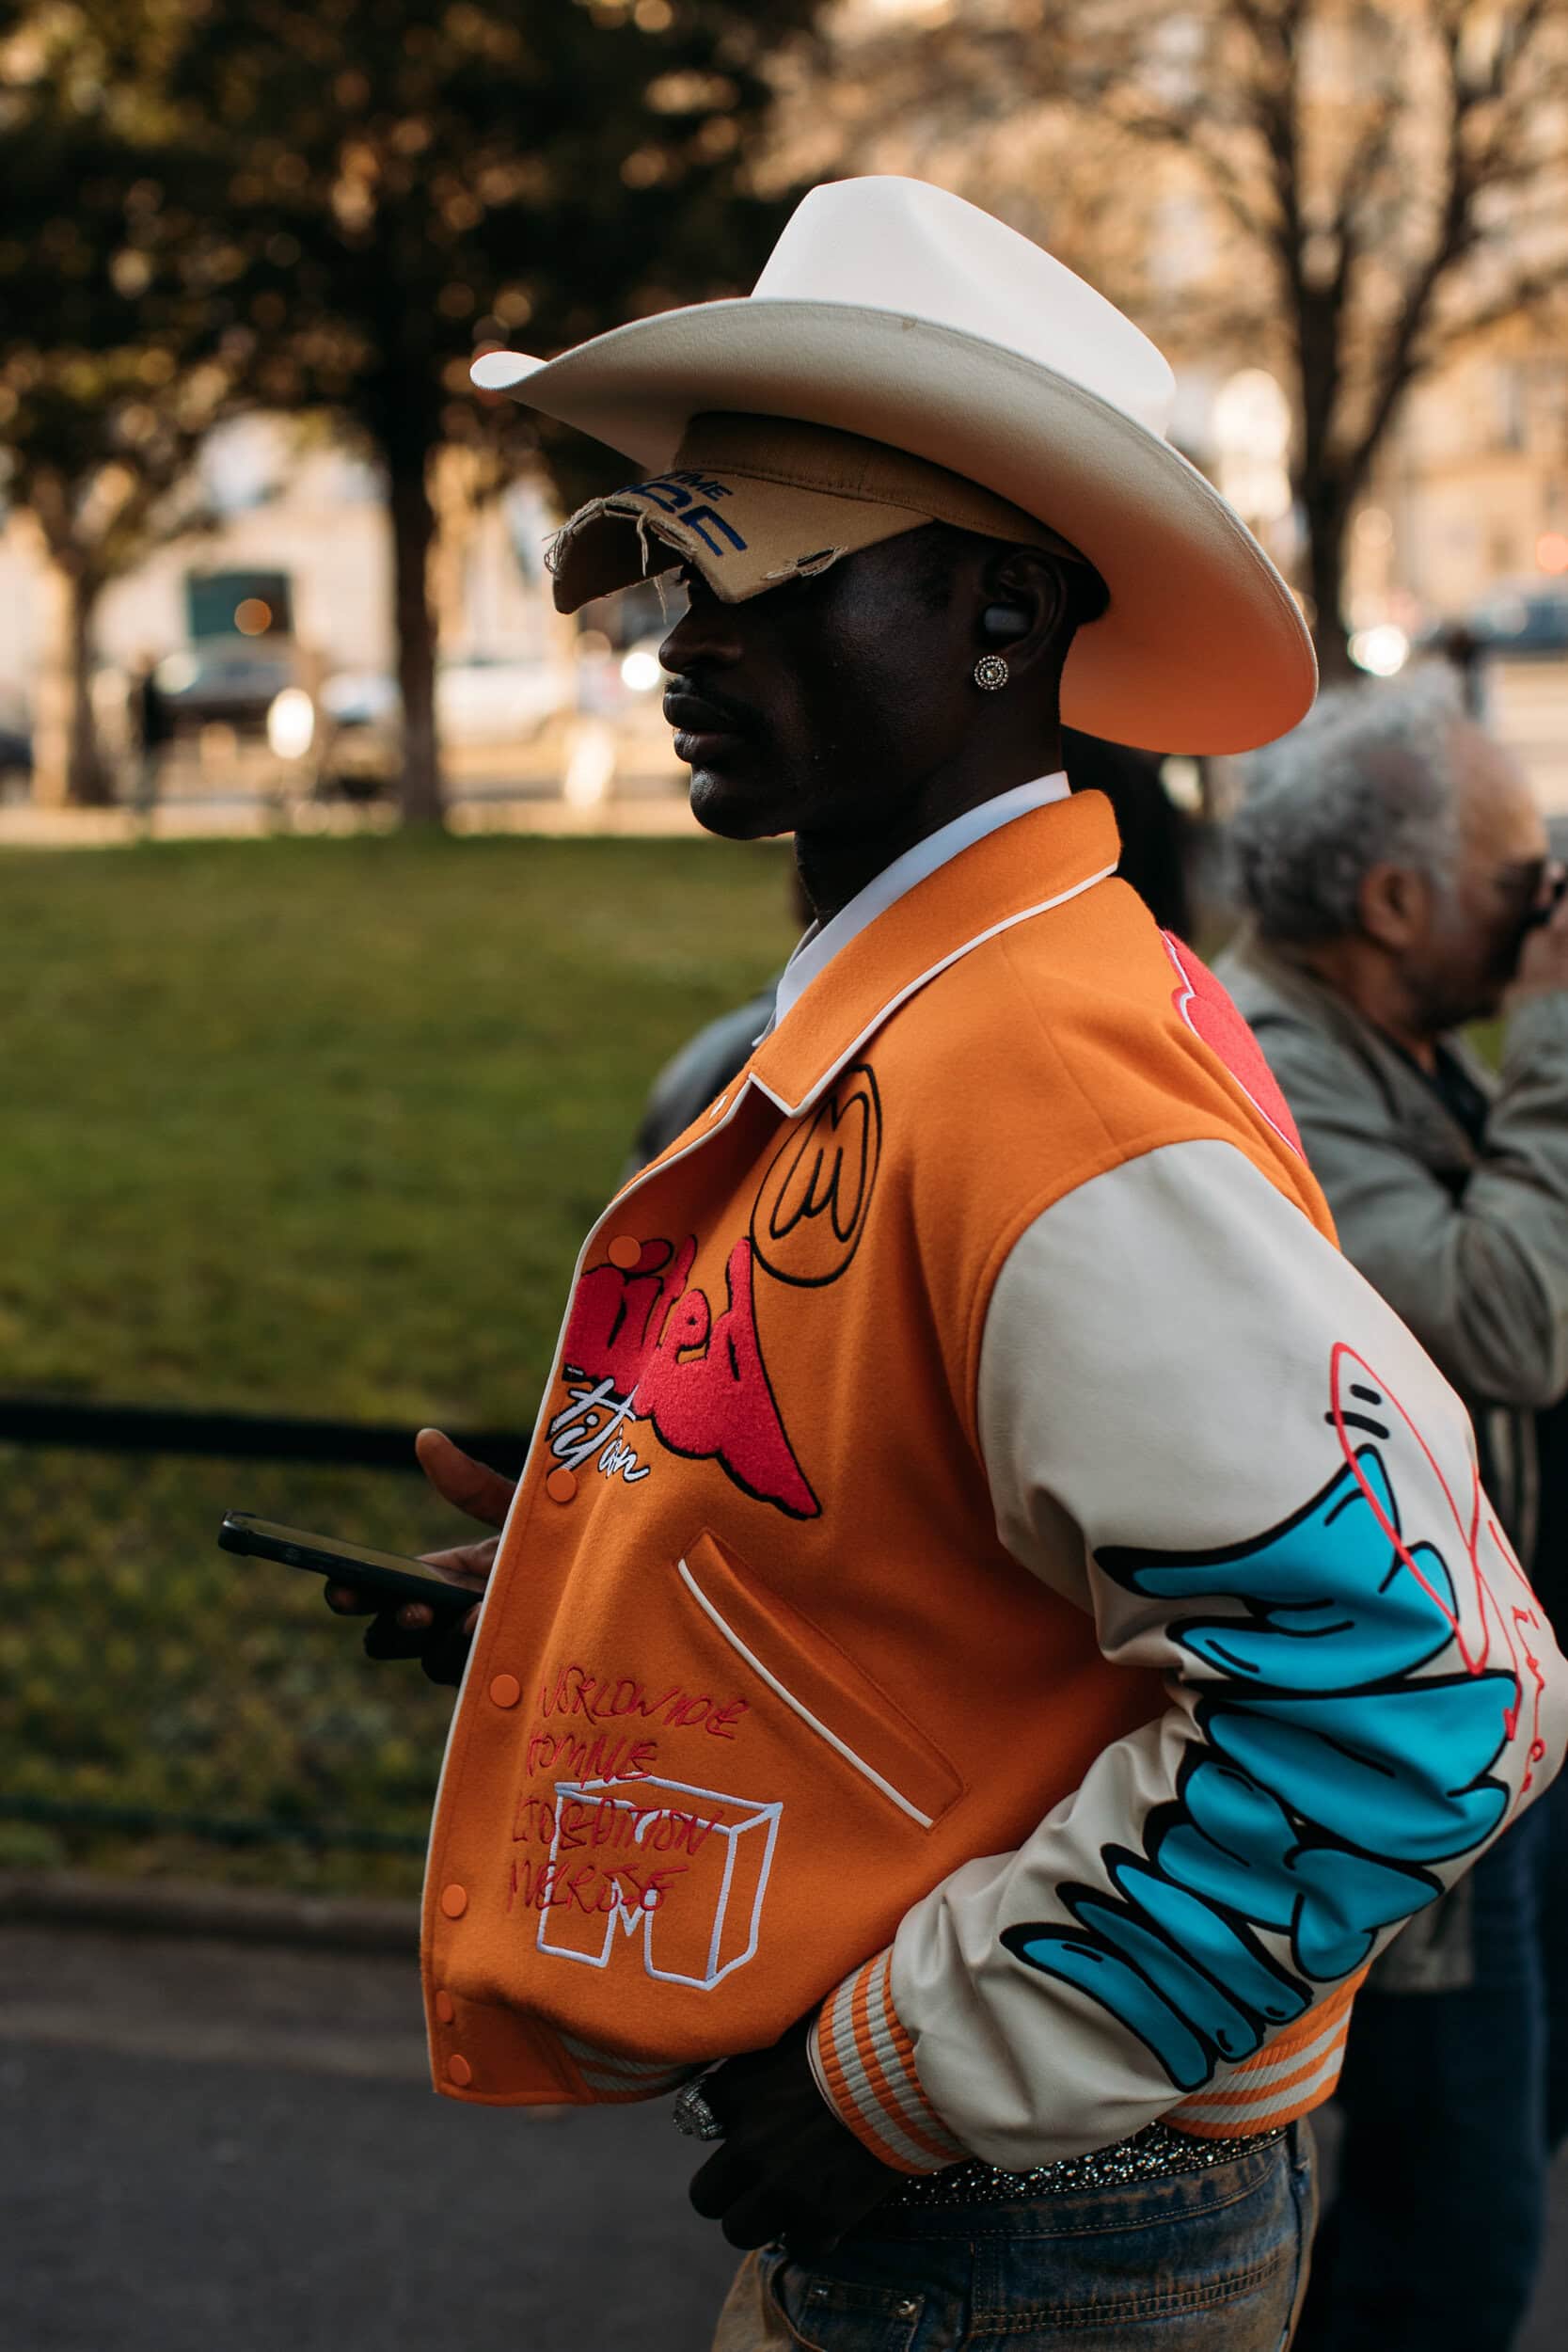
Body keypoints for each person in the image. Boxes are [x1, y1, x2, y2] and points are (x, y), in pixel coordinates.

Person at [327, 179, 1567, 2349]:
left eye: (756, 577)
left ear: (1004, 611)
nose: (677, 643)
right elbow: (1001, 1578)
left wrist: (915, 2076)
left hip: (1026, 2230)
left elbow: (1435, 1689)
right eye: (655, 567)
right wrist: (622, 1582)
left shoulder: (1036, 1068)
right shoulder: (955, 1012)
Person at [1218, 670, 1568, 2352]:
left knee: (1479, 2161)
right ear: (1395, 900)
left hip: (1473, 1722)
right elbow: (1508, 1318)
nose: (1545, 907)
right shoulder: (1271, 1071)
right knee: (1460, 2220)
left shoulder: (1391, 1046)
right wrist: (1565, 1030)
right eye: (1525, 878)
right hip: (1386, 1758)